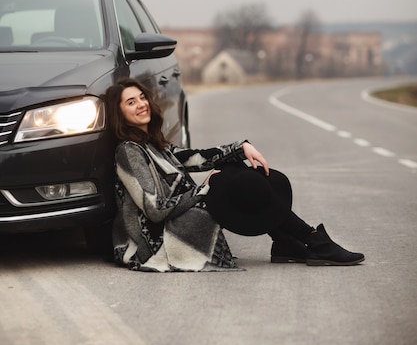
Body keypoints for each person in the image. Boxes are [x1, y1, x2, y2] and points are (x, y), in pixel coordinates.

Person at [105, 77, 365, 272]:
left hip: (177, 217)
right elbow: (154, 210)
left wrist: (240, 148)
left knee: (234, 171)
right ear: (120, 114)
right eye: (131, 102)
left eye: (142, 97)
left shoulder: (153, 144)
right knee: (233, 185)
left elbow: (196, 158)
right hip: (155, 238)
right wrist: (202, 190)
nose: (142, 104)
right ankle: (307, 240)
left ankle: (293, 240)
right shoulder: (129, 152)